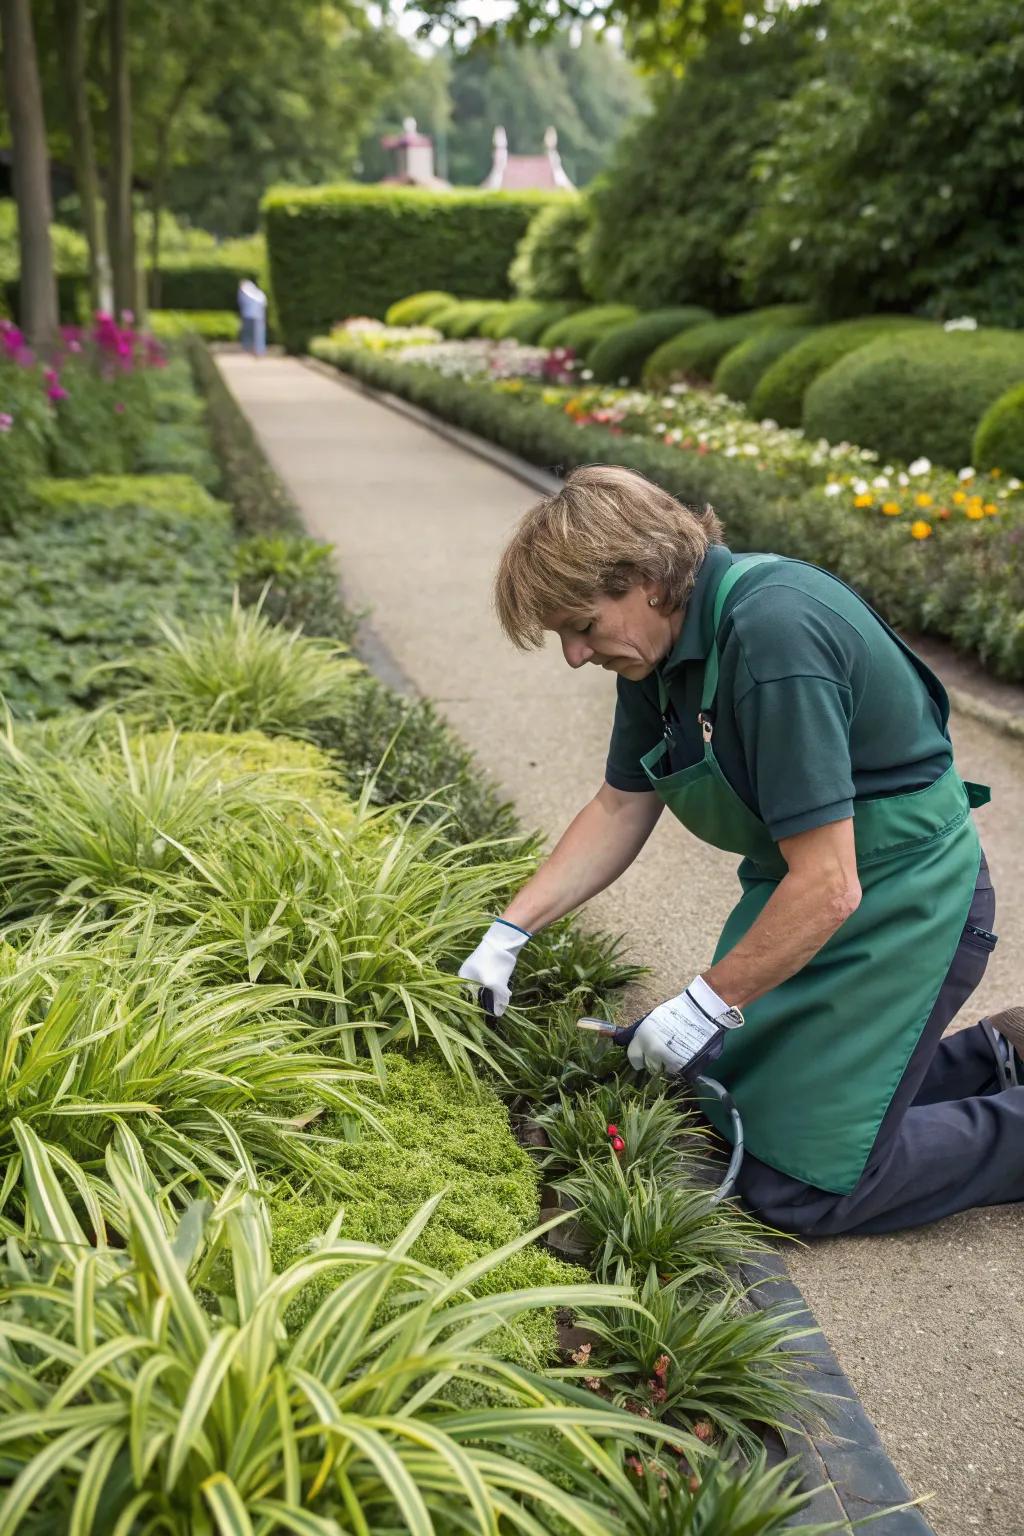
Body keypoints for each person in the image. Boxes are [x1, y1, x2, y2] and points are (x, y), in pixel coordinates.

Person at [459, 465, 1023, 1236]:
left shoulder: (772, 633)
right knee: (735, 1109)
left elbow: (831, 885)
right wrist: (509, 932)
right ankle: (1002, 1055)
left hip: (909, 902)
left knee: (806, 1187)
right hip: (808, 894)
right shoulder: (659, 656)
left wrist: (703, 1002)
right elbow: (624, 803)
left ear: (649, 580)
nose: (574, 655)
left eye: (581, 625)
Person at [237, 276, 267, 356]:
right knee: (257, 334)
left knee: (250, 333)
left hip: (249, 316)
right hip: (258, 316)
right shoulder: (258, 294)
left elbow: (241, 303)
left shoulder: (243, 292)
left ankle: (252, 349)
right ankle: (258, 350)